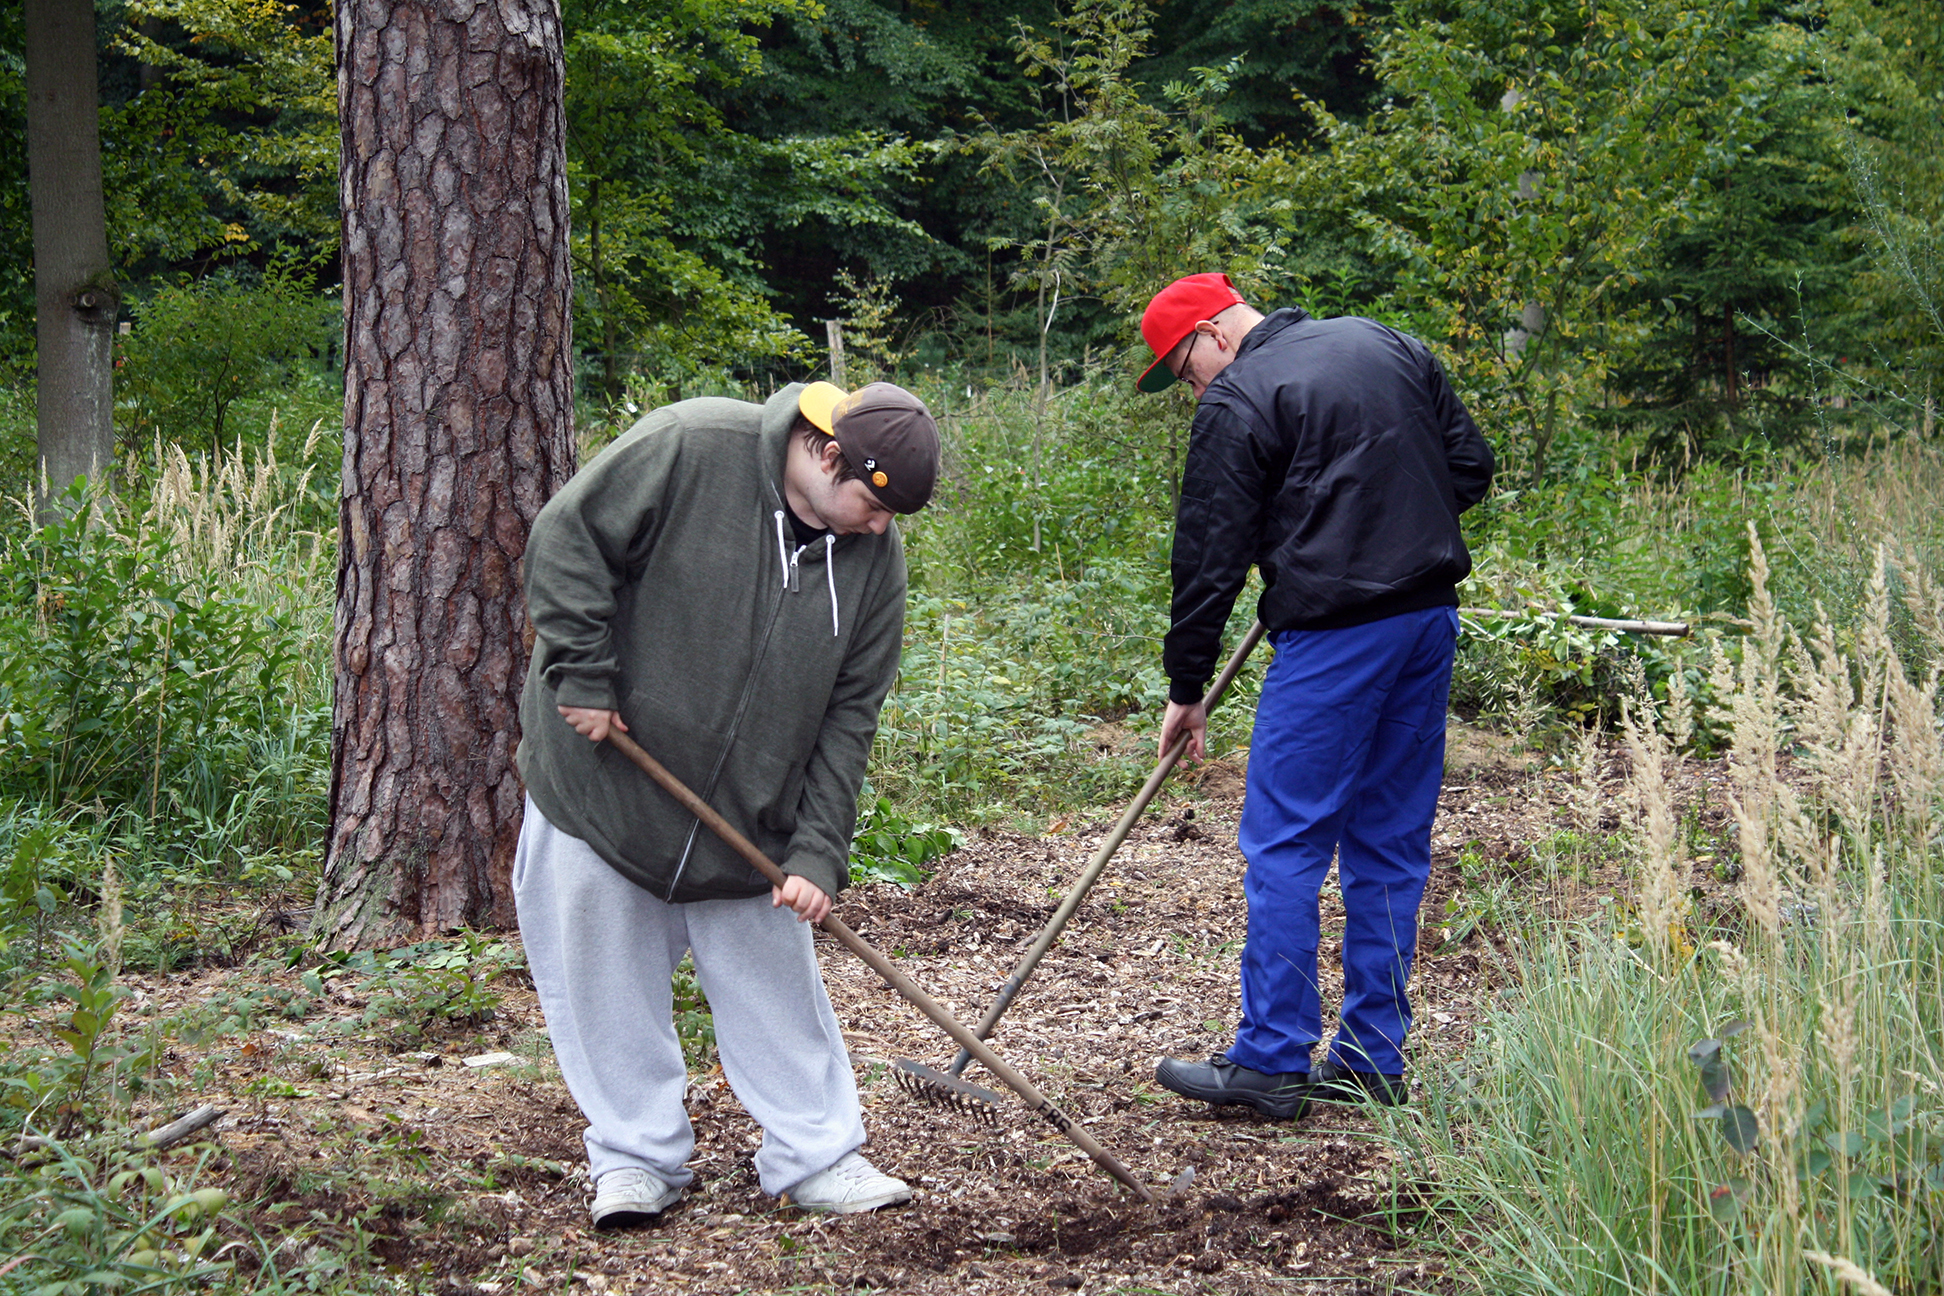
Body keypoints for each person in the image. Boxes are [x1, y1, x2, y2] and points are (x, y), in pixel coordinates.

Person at [513, 378, 940, 1226]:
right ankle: (635, 1159)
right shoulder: (689, 445)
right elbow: (567, 537)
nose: (879, 528)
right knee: (605, 980)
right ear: (829, 456)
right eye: (874, 505)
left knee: (778, 990)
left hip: (751, 817)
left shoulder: (874, 559)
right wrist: (583, 672)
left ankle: (817, 1156)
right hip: (607, 787)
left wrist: (817, 851)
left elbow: (850, 715)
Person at [1137, 273, 1494, 1118]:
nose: (1195, 392)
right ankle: (1373, 1058)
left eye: (1186, 372)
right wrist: (1378, 525)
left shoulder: (1241, 396)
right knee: (1390, 843)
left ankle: (1270, 1059)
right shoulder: (1388, 344)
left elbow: (1209, 557)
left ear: (1214, 334)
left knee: (1286, 841)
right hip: (1426, 624)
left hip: (1335, 639)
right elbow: (1470, 468)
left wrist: (1186, 684)